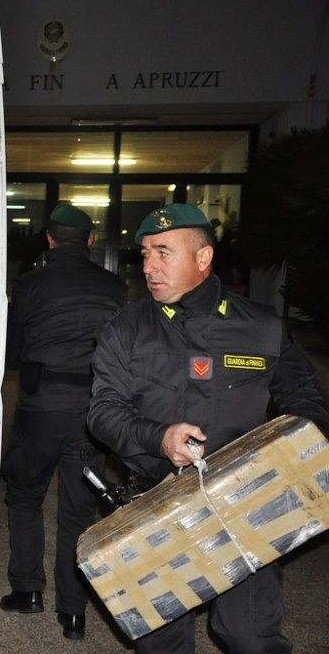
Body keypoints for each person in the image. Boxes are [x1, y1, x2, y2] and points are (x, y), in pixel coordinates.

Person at [87, 203, 329, 653]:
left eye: (163, 252)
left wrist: (292, 457)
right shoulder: (126, 329)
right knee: (163, 642)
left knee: (249, 636)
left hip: (246, 504)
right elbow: (103, 412)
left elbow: (306, 401)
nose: (149, 267)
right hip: (158, 505)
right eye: (145, 254)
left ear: (203, 257)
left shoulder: (260, 326)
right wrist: (158, 437)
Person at [0, 204, 126, 640]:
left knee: (24, 494)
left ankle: (28, 591)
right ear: (90, 241)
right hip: (92, 412)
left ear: (50, 240)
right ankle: (73, 614)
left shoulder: (30, 285)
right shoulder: (114, 286)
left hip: (40, 409)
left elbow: (12, 351)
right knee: (78, 510)